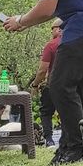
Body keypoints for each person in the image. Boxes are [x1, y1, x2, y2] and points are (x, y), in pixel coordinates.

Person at [4, 0, 83, 166]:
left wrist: (20, 21)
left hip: (82, 24)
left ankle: (75, 147)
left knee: (61, 85)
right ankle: (80, 143)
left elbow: (47, 8)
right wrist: (22, 20)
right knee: (79, 87)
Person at [29, 18, 63, 147]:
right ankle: (68, 137)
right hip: (72, 84)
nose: (51, 32)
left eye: (52, 28)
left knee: (46, 112)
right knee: (68, 111)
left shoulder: (51, 45)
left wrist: (35, 84)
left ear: (59, 29)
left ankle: (49, 140)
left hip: (52, 84)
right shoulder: (74, 42)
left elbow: (42, 70)